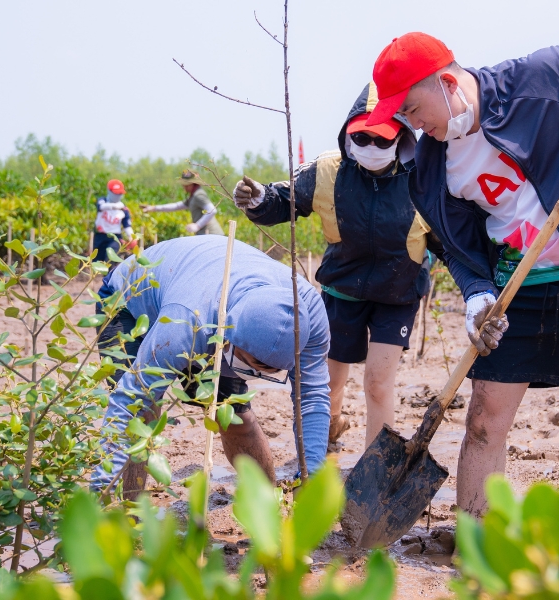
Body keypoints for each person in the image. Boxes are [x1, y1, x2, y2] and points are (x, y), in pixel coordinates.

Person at [366, 29, 559, 515]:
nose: (412, 125)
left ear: (447, 84)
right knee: (484, 421)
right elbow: (460, 247)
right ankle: (477, 545)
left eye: (411, 109)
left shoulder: (536, 79)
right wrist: (475, 294)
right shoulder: (429, 168)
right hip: (518, 290)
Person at [233, 82, 443, 449]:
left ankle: (374, 470)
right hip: (341, 290)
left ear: (401, 137)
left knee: (378, 382)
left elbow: (452, 240)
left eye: (382, 140)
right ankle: (327, 437)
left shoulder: (424, 177)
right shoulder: (328, 170)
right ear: (349, 134)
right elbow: (283, 199)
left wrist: (483, 285)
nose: (371, 148)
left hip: (398, 293)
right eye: (362, 138)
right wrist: (258, 200)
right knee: (328, 382)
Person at [90, 236, 330, 495]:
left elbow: (312, 398)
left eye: (269, 372)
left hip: (210, 286)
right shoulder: (186, 323)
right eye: (252, 366)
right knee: (142, 414)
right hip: (130, 299)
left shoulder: (307, 314)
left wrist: (311, 478)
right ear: (228, 338)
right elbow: (129, 399)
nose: (256, 376)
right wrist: (99, 489)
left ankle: (267, 501)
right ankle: (125, 512)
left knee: (233, 414)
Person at [141, 170, 224, 235]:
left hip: (212, 235)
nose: (184, 186)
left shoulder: (199, 194)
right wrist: (153, 208)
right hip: (204, 235)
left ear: (193, 184)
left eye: (186, 184)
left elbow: (212, 210)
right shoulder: (193, 196)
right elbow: (176, 206)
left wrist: (197, 225)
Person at [93, 179, 137, 263]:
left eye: (119, 194)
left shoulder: (123, 209)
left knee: (110, 258)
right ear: (109, 191)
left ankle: (109, 274)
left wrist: (132, 237)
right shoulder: (102, 201)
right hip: (100, 236)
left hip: (115, 237)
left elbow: (127, 225)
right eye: (115, 193)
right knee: (97, 260)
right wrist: (115, 206)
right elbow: (101, 207)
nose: (117, 195)